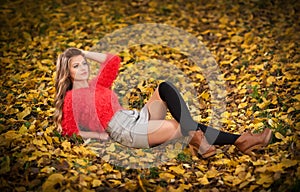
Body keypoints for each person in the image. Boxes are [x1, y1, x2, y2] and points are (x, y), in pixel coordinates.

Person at [53, 48, 272, 158]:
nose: (83, 68)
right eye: (76, 66)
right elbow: (69, 130)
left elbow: (113, 60)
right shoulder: (72, 98)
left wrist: (84, 53)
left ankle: (204, 140)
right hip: (124, 131)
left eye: (84, 64)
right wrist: (99, 135)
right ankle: (239, 140)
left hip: (135, 117)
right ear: (67, 73)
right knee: (179, 127)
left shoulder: (96, 85)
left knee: (165, 87)